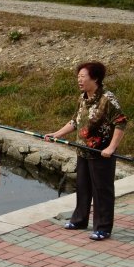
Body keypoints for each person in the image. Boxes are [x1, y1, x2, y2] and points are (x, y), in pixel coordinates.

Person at [44, 62, 127, 241]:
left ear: (95, 78)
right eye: (78, 77)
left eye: (83, 77)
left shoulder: (108, 99)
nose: (79, 80)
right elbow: (75, 121)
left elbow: (121, 122)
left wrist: (111, 148)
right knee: (82, 187)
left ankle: (103, 227)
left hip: (101, 154)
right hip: (83, 151)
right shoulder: (83, 97)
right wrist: (56, 134)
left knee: (102, 191)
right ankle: (80, 220)